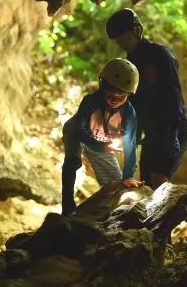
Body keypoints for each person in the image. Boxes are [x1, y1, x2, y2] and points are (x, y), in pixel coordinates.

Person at [105, 8, 187, 190]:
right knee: (146, 185)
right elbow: (133, 102)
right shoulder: (131, 63)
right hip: (153, 133)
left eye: (124, 37)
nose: (121, 43)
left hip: (174, 130)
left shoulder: (161, 56)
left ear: (137, 30)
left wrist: (171, 131)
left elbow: (173, 93)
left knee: (159, 178)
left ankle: (169, 216)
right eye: (118, 41)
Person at [61, 58, 144, 216]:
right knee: (73, 161)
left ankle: (109, 212)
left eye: (121, 97)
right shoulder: (90, 102)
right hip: (78, 133)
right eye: (110, 95)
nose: (114, 101)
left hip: (101, 139)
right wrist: (101, 147)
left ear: (128, 95)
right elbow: (79, 131)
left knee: (116, 182)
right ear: (102, 86)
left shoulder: (129, 113)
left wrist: (128, 175)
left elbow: (130, 144)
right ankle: (67, 206)